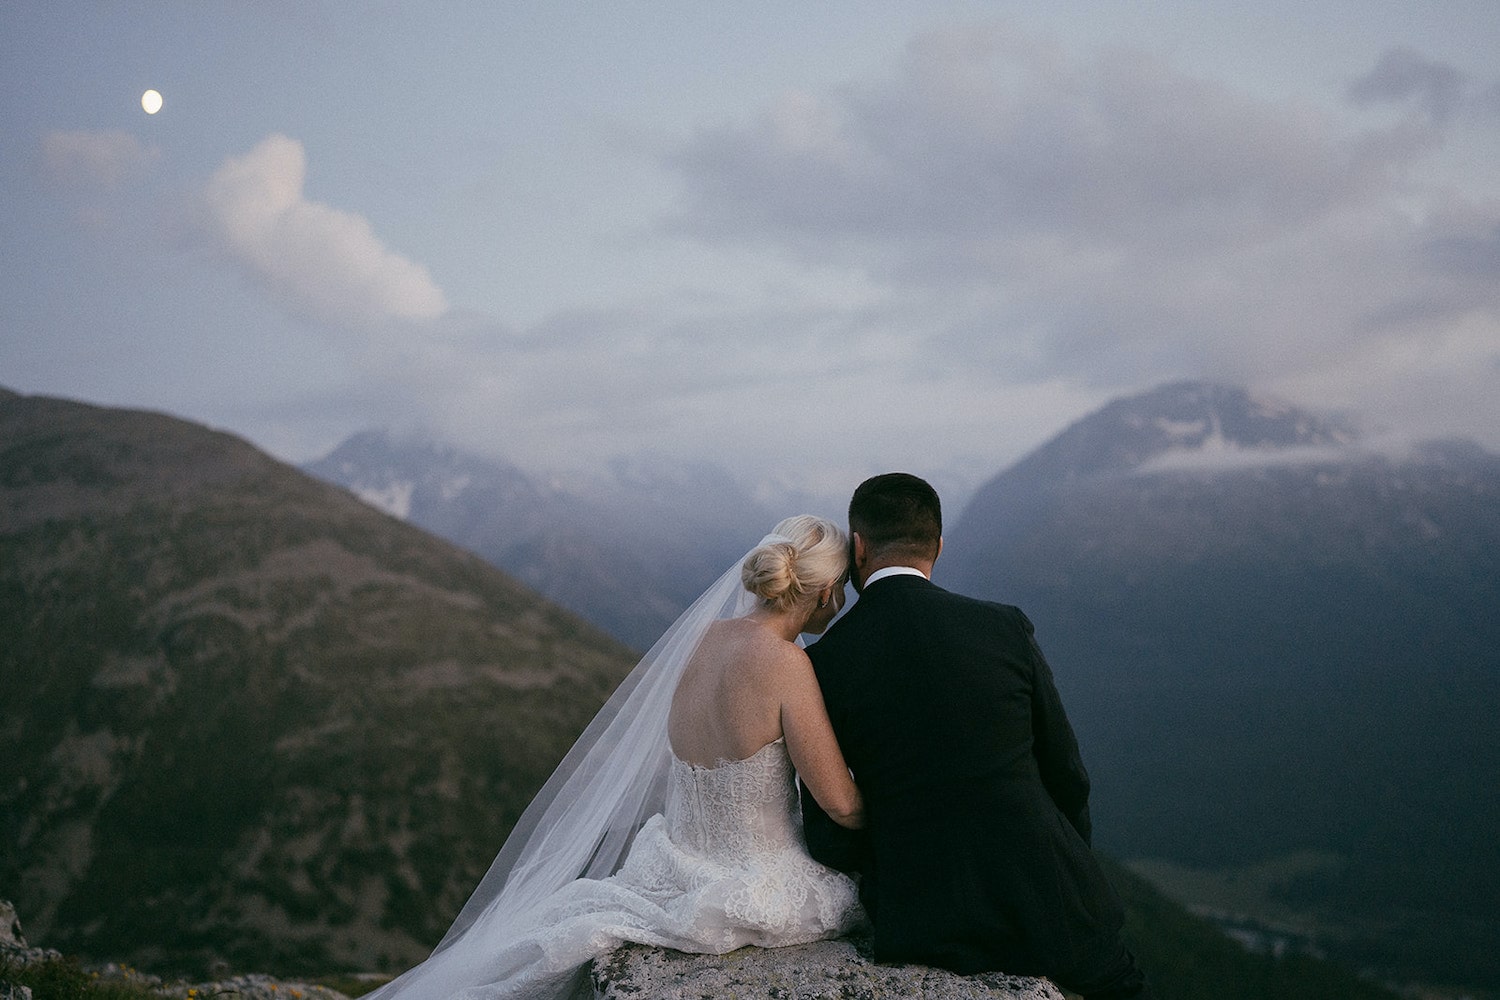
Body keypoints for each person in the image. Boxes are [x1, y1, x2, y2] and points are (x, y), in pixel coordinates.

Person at [360, 516, 880, 999]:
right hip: (751, 879)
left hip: (675, 863)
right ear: (828, 592)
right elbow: (840, 804)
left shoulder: (699, 640)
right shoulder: (787, 663)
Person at [801, 474, 1153, 999]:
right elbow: (1067, 772)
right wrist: (1066, 861)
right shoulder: (1004, 627)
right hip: (1050, 904)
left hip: (922, 921)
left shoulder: (822, 662)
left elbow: (830, 833)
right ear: (938, 547)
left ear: (858, 548)